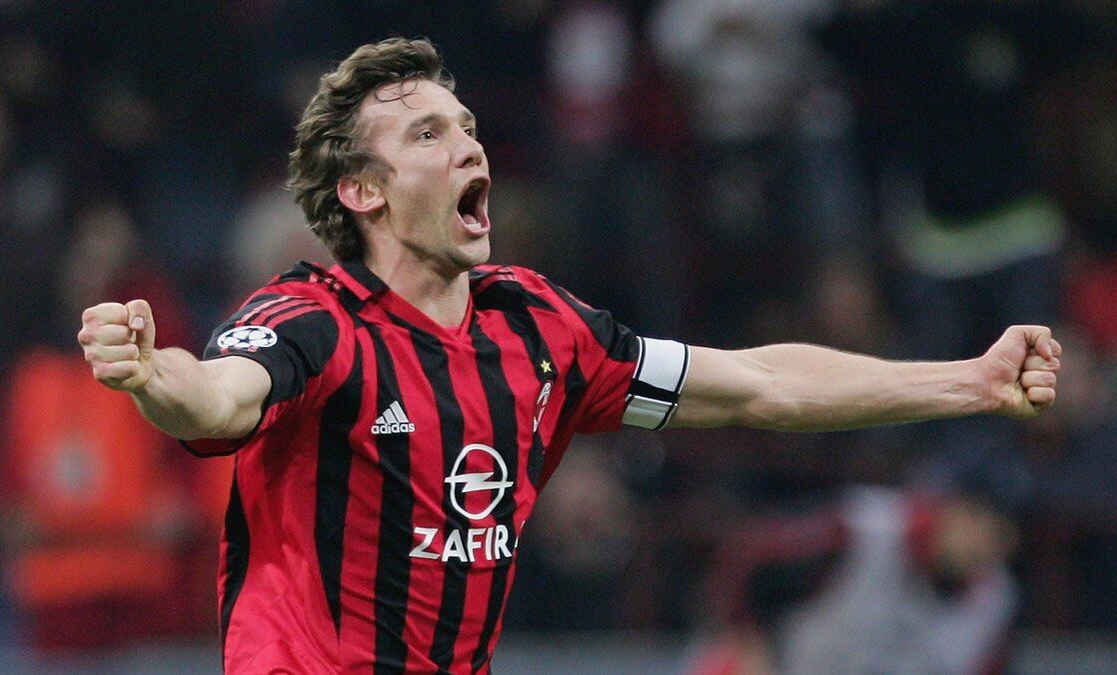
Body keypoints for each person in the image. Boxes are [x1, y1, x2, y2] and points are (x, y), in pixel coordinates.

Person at [76, 38, 1062, 674]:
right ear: (364, 192)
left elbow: (761, 385)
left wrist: (969, 380)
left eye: (468, 128)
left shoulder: (541, 332)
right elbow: (217, 399)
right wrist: (149, 373)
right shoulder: (311, 318)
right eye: (428, 134)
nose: (470, 148)